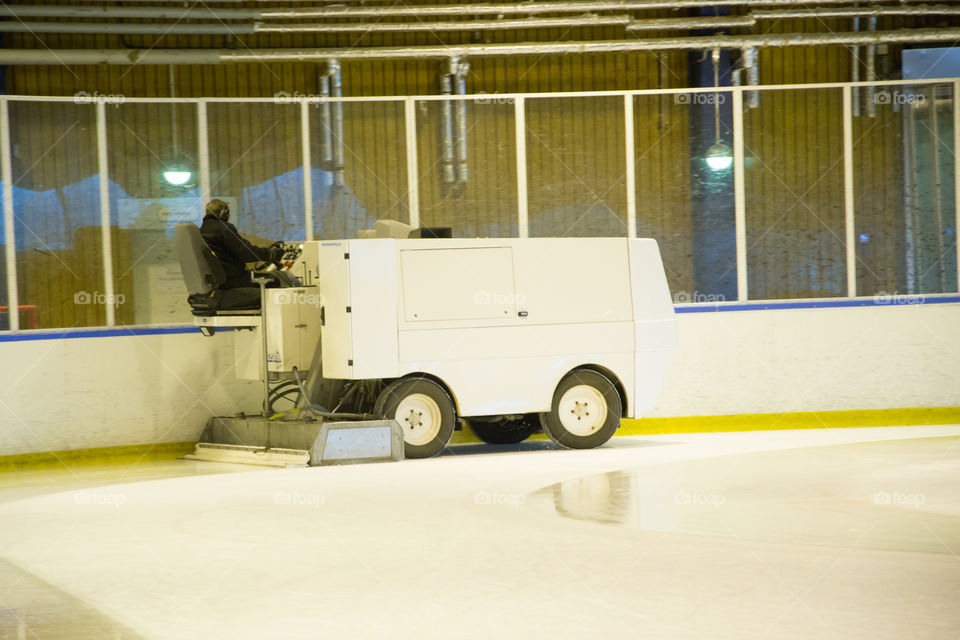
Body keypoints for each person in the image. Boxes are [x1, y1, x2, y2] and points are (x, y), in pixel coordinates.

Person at [200, 199, 283, 289]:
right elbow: (246, 252)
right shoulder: (224, 228)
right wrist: (271, 254)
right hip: (233, 278)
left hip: (221, 279)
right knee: (274, 280)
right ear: (224, 214)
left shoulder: (202, 229)